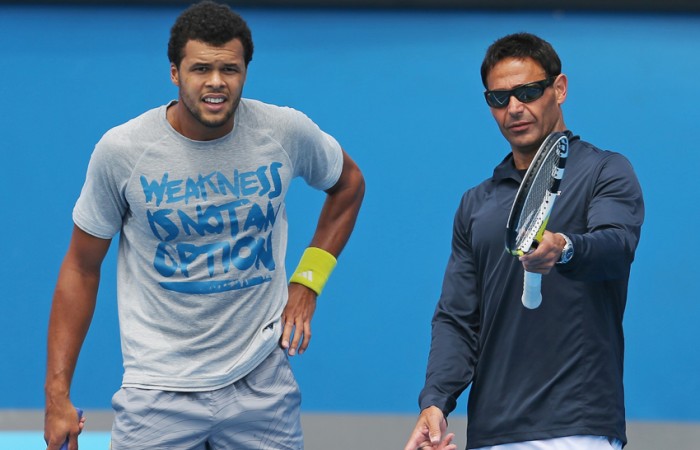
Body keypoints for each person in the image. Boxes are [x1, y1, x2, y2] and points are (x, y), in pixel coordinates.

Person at [44, 1, 365, 449]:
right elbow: (80, 268)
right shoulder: (123, 151)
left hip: (262, 383)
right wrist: (56, 396)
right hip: (158, 390)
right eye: (200, 69)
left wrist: (308, 281)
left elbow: (348, 185)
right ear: (174, 73)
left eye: (229, 69)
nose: (216, 83)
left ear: (245, 72)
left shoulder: (283, 131)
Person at [404, 32, 644, 450]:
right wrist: (436, 402)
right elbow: (458, 318)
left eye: (528, 92)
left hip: (577, 427)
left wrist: (564, 248)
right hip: (491, 432)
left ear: (559, 88)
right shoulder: (475, 204)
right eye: (499, 98)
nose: (514, 108)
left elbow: (616, 248)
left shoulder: (606, 171)